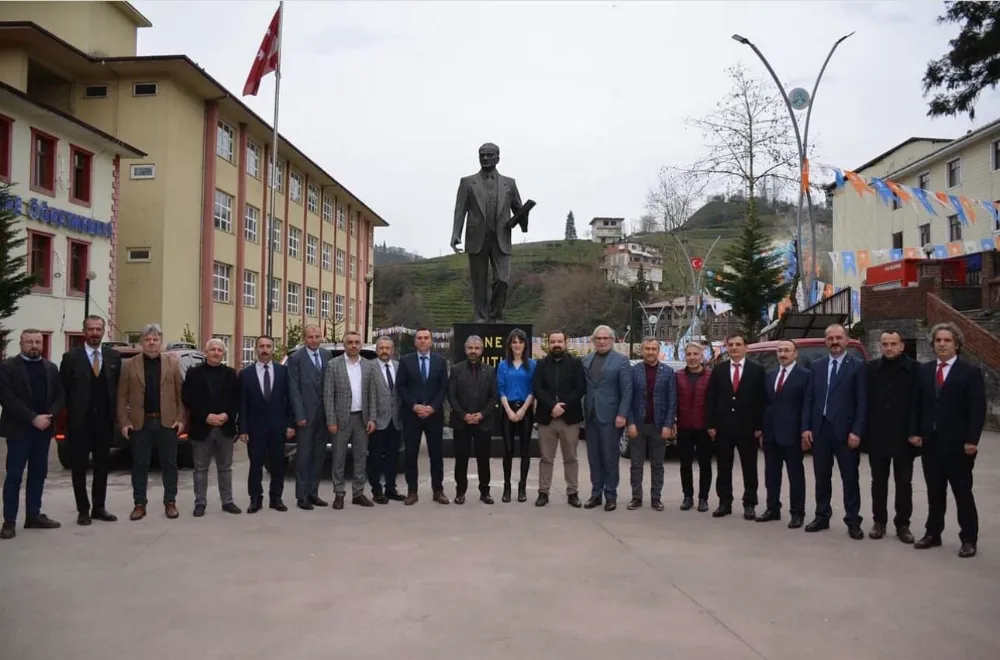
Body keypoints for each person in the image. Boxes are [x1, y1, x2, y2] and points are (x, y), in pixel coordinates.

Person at [910, 322, 985, 558]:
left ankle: (969, 539)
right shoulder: (924, 371)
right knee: (935, 492)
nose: (942, 344)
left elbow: (977, 409)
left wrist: (972, 440)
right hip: (930, 444)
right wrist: (914, 431)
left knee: (962, 492)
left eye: (947, 340)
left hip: (959, 445)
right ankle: (933, 533)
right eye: (938, 341)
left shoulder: (970, 373)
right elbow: (916, 405)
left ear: (957, 344)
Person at [450, 142, 528, 323]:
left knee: (502, 280)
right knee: (479, 281)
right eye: (482, 155)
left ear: (498, 158)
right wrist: (456, 234)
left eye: (489, 155)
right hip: (476, 237)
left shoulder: (510, 183)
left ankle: (495, 315)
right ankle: (480, 317)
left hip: (501, 238)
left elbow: (519, 209)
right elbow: (460, 210)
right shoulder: (468, 182)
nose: (485, 158)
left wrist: (523, 218)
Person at [802, 323, 867, 539]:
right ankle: (822, 516)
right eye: (830, 339)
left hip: (846, 432)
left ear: (846, 340)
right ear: (825, 341)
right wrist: (806, 428)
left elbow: (862, 402)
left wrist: (857, 431)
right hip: (821, 431)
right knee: (822, 477)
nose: (835, 342)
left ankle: (853, 520)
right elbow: (810, 399)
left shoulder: (857, 366)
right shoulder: (817, 366)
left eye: (839, 338)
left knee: (850, 478)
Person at [0, 329, 64, 540]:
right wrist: (32, 418)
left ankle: (33, 516)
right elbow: (7, 398)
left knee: (38, 474)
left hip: (43, 431)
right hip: (19, 431)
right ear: (21, 344)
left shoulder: (50, 368)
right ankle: (9, 521)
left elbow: (60, 395)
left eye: (38, 341)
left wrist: (50, 415)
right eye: (30, 342)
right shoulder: (8, 367)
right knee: (14, 476)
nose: (34, 345)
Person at [118, 324, 185, 521]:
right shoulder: (130, 364)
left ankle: (170, 502)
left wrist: (181, 419)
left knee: (170, 464)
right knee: (140, 464)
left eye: (155, 339)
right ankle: (139, 504)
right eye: (148, 339)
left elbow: (180, 395)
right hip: (141, 423)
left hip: (167, 423)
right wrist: (124, 422)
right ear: (141, 342)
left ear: (161, 341)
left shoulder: (172, 363)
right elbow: (122, 397)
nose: (152, 343)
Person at [59, 315, 121, 526]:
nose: (95, 333)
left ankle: (99, 507)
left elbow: (117, 388)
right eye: (91, 329)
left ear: (103, 331)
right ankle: (83, 510)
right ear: (84, 331)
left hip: (104, 422)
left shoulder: (113, 357)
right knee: (79, 467)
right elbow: (64, 390)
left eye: (98, 329)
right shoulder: (70, 358)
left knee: (102, 466)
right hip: (79, 422)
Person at [864, 330, 917, 543]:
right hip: (878, 435)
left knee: (904, 482)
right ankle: (879, 521)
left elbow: (918, 404)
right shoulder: (871, 369)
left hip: (904, 437)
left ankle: (903, 524)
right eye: (885, 344)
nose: (889, 348)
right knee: (879, 482)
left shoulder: (915, 370)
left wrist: (915, 432)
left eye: (893, 343)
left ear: (902, 346)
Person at [706, 333, 765, 520]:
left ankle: (749, 503)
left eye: (738, 344)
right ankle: (725, 502)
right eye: (730, 344)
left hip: (747, 428)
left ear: (745, 347)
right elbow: (710, 399)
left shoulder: (757, 370)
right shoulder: (719, 369)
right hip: (723, 427)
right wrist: (711, 424)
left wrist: (759, 425)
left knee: (749, 467)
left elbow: (761, 400)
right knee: (724, 467)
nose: (734, 348)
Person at [181, 338, 242, 517]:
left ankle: (227, 501)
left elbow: (236, 399)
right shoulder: (194, 374)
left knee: (225, 467)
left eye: (219, 350)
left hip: (225, 427)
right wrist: (205, 416)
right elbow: (188, 398)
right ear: (206, 352)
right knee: (201, 469)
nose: (216, 353)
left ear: (223, 353)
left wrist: (227, 415)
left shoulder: (231, 374)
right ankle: (200, 503)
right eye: (212, 349)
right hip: (202, 427)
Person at [238, 335, 295, 513]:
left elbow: (290, 400)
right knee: (255, 465)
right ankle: (255, 499)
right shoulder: (246, 374)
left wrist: (291, 424)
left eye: (268, 346)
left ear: (273, 349)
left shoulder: (283, 372)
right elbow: (242, 404)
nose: (265, 349)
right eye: (261, 346)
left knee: (278, 465)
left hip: (278, 427)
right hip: (255, 429)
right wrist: (243, 429)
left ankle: (276, 498)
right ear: (256, 349)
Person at [395, 327, 450, 505]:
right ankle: (412, 491)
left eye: (426, 338)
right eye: (420, 338)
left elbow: (444, 387)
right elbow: (401, 386)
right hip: (412, 415)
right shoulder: (405, 361)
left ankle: (438, 490)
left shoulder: (440, 362)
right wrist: (414, 405)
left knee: (436, 454)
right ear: (415, 341)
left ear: (431, 341)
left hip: (434, 415)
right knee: (411, 454)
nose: (423, 341)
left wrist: (433, 407)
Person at [757, 340, 809, 528]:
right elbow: (765, 405)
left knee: (795, 475)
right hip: (771, 434)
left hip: (793, 434)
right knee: (771, 474)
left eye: (787, 350)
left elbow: (807, 406)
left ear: (795, 353)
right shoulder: (770, 375)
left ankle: (797, 513)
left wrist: (805, 431)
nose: (783, 354)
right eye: (779, 351)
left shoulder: (805, 376)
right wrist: (762, 430)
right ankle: (772, 508)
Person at [323, 330, 378, 509]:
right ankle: (339, 494)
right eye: (350, 342)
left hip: (362, 419)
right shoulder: (333, 365)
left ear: (360, 344)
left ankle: (358, 493)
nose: (354, 345)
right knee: (338, 458)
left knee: (361, 457)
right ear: (344, 345)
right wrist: (331, 420)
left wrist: (372, 418)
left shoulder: (369, 366)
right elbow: (328, 395)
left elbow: (372, 394)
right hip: (340, 420)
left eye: (357, 342)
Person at [582, 325, 632, 511]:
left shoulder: (621, 361)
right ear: (593, 341)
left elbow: (627, 391)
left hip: (612, 417)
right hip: (591, 416)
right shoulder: (586, 360)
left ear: (611, 340)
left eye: (605, 338)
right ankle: (596, 494)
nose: (602, 341)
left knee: (610, 458)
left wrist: (622, 414)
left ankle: (611, 495)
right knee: (594, 457)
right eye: (598, 339)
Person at [532, 330, 584, 508]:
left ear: (566, 343)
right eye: (553, 341)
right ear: (548, 344)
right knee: (546, 458)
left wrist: (563, 407)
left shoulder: (576, 364)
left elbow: (580, 389)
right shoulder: (541, 364)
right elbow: (537, 388)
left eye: (559, 341)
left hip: (569, 418)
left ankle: (572, 493)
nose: (556, 344)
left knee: (571, 458)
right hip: (547, 419)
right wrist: (551, 407)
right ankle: (543, 492)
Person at [624, 337, 676, 511]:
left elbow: (672, 401)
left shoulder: (668, 372)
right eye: (647, 349)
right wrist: (630, 423)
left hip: (659, 425)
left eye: (654, 349)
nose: (651, 352)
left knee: (657, 464)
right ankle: (636, 497)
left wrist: (668, 425)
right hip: (638, 425)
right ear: (642, 350)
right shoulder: (633, 371)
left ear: (658, 350)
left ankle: (656, 498)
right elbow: (628, 399)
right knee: (636, 464)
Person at [448, 335, 498, 504]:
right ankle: (460, 492)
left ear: (482, 350)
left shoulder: (490, 371)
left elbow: (494, 397)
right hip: (461, 422)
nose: (473, 351)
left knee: (483, 459)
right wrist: (464, 415)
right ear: (465, 349)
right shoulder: (456, 370)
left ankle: (485, 492)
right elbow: (452, 396)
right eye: (470, 348)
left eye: (477, 348)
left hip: (483, 422)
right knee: (461, 459)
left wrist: (481, 415)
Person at [287, 324, 332, 509]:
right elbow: (293, 389)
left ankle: (314, 492)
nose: (314, 340)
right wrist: (299, 415)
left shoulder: (326, 355)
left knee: (319, 456)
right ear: (304, 339)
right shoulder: (296, 358)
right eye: (310, 337)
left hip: (323, 415)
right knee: (304, 456)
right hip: (305, 416)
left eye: (317, 336)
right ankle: (302, 496)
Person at [496, 327, 536, 503]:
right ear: (510, 345)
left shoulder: (533, 364)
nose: (517, 345)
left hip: (525, 409)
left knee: (525, 450)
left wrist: (522, 410)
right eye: (514, 342)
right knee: (508, 449)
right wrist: (510, 411)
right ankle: (507, 487)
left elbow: (533, 389)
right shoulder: (503, 365)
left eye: (520, 342)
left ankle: (522, 487)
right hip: (507, 409)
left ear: (525, 344)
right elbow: (501, 389)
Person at [674, 342, 713, 512]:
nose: (692, 358)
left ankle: (703, 498)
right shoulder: (678, 376)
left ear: (702, 356)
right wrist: (673, 422)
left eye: (695, 354)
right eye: (689, 354)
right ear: (685, 356)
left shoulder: (711, 376)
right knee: (685, 464)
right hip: (684, 426)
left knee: (705, 464)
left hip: (705, 427)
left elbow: (715, 402)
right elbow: (673, 401)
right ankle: (687, 496)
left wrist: (714, 424)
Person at [369, 335, 404, 504]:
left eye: (387, 348)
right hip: (377, 421)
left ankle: (391, 488)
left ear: (393, 350)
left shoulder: (399, 367)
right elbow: (368, 395)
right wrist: (371, 418)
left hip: (396, 420)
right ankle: (377, 490)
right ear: (376, 350)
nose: (384, 351)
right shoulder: (369, 368)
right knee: (375, 457)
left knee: (393, 457)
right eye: (381, 348)